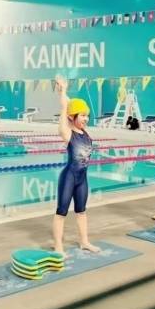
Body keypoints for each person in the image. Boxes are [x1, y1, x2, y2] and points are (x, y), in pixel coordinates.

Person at [53, 76, 100, 256]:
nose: (86, 118)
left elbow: (70, 104)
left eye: (87, 115)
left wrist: (64, 92)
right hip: (69, 177)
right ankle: (58, 246)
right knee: (61, 212)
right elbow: (66, 107)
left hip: (82, 179)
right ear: (72, 117)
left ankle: (84, 242)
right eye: (82, 115)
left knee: (81, 211)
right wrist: (63, 92)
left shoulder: (85, 133)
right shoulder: (67, 133)